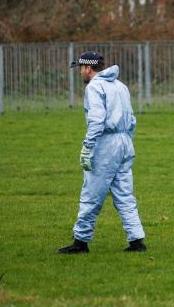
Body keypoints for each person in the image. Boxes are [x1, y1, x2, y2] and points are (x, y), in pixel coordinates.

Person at [58, 51, 146, 254]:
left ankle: (80, 241)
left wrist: (88, 147)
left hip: (106, 143)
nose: (80, 72)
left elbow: (97, 120)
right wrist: (126, 140)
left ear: (88, 68)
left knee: (91, 193)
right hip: (124, 141)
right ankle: (137, 240)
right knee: (125, 193)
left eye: (81, 68)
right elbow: (131, 118)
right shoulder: (120, 85)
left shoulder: (94, 87)